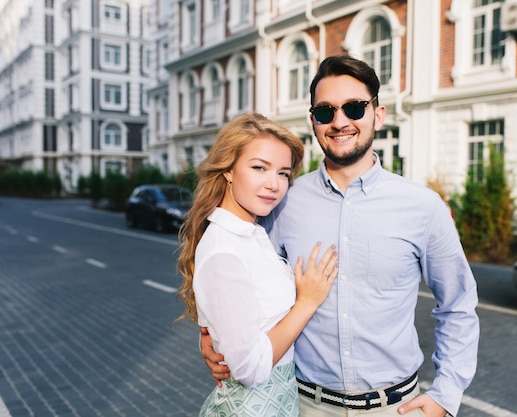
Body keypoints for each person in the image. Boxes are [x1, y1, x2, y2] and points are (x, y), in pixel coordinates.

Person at [201, 56, 480, 417]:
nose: (340, 122)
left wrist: (447, 392)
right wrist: (209, 334)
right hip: (303, 405)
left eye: (354, 107)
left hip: (394, 409)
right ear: (313, 120)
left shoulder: (424, 207)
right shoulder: (282, 202)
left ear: (378, 114)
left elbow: (458, 304)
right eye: (325, 111)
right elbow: (237, 278)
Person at [177, 112, 339, 416]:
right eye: (259, 168)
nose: (274, 184)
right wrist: (307, 302)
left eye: (283, 173)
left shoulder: (250, 233)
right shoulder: (226, 248)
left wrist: (208, 332)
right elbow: (250, 369)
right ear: (228, 170)